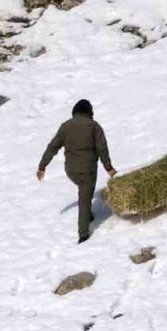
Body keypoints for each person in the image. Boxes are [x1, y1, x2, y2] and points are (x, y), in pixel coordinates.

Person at [38, 99, 116, 243]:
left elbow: (53, 146)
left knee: (84, 192)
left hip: (71, 171)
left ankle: (87, 214)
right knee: (85, 196)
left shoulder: (65, 126)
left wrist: (42, 166)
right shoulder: (94, 126)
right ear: (89, 112)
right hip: (87, 169)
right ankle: (83, 234)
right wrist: (109, 167)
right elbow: (102, 148)